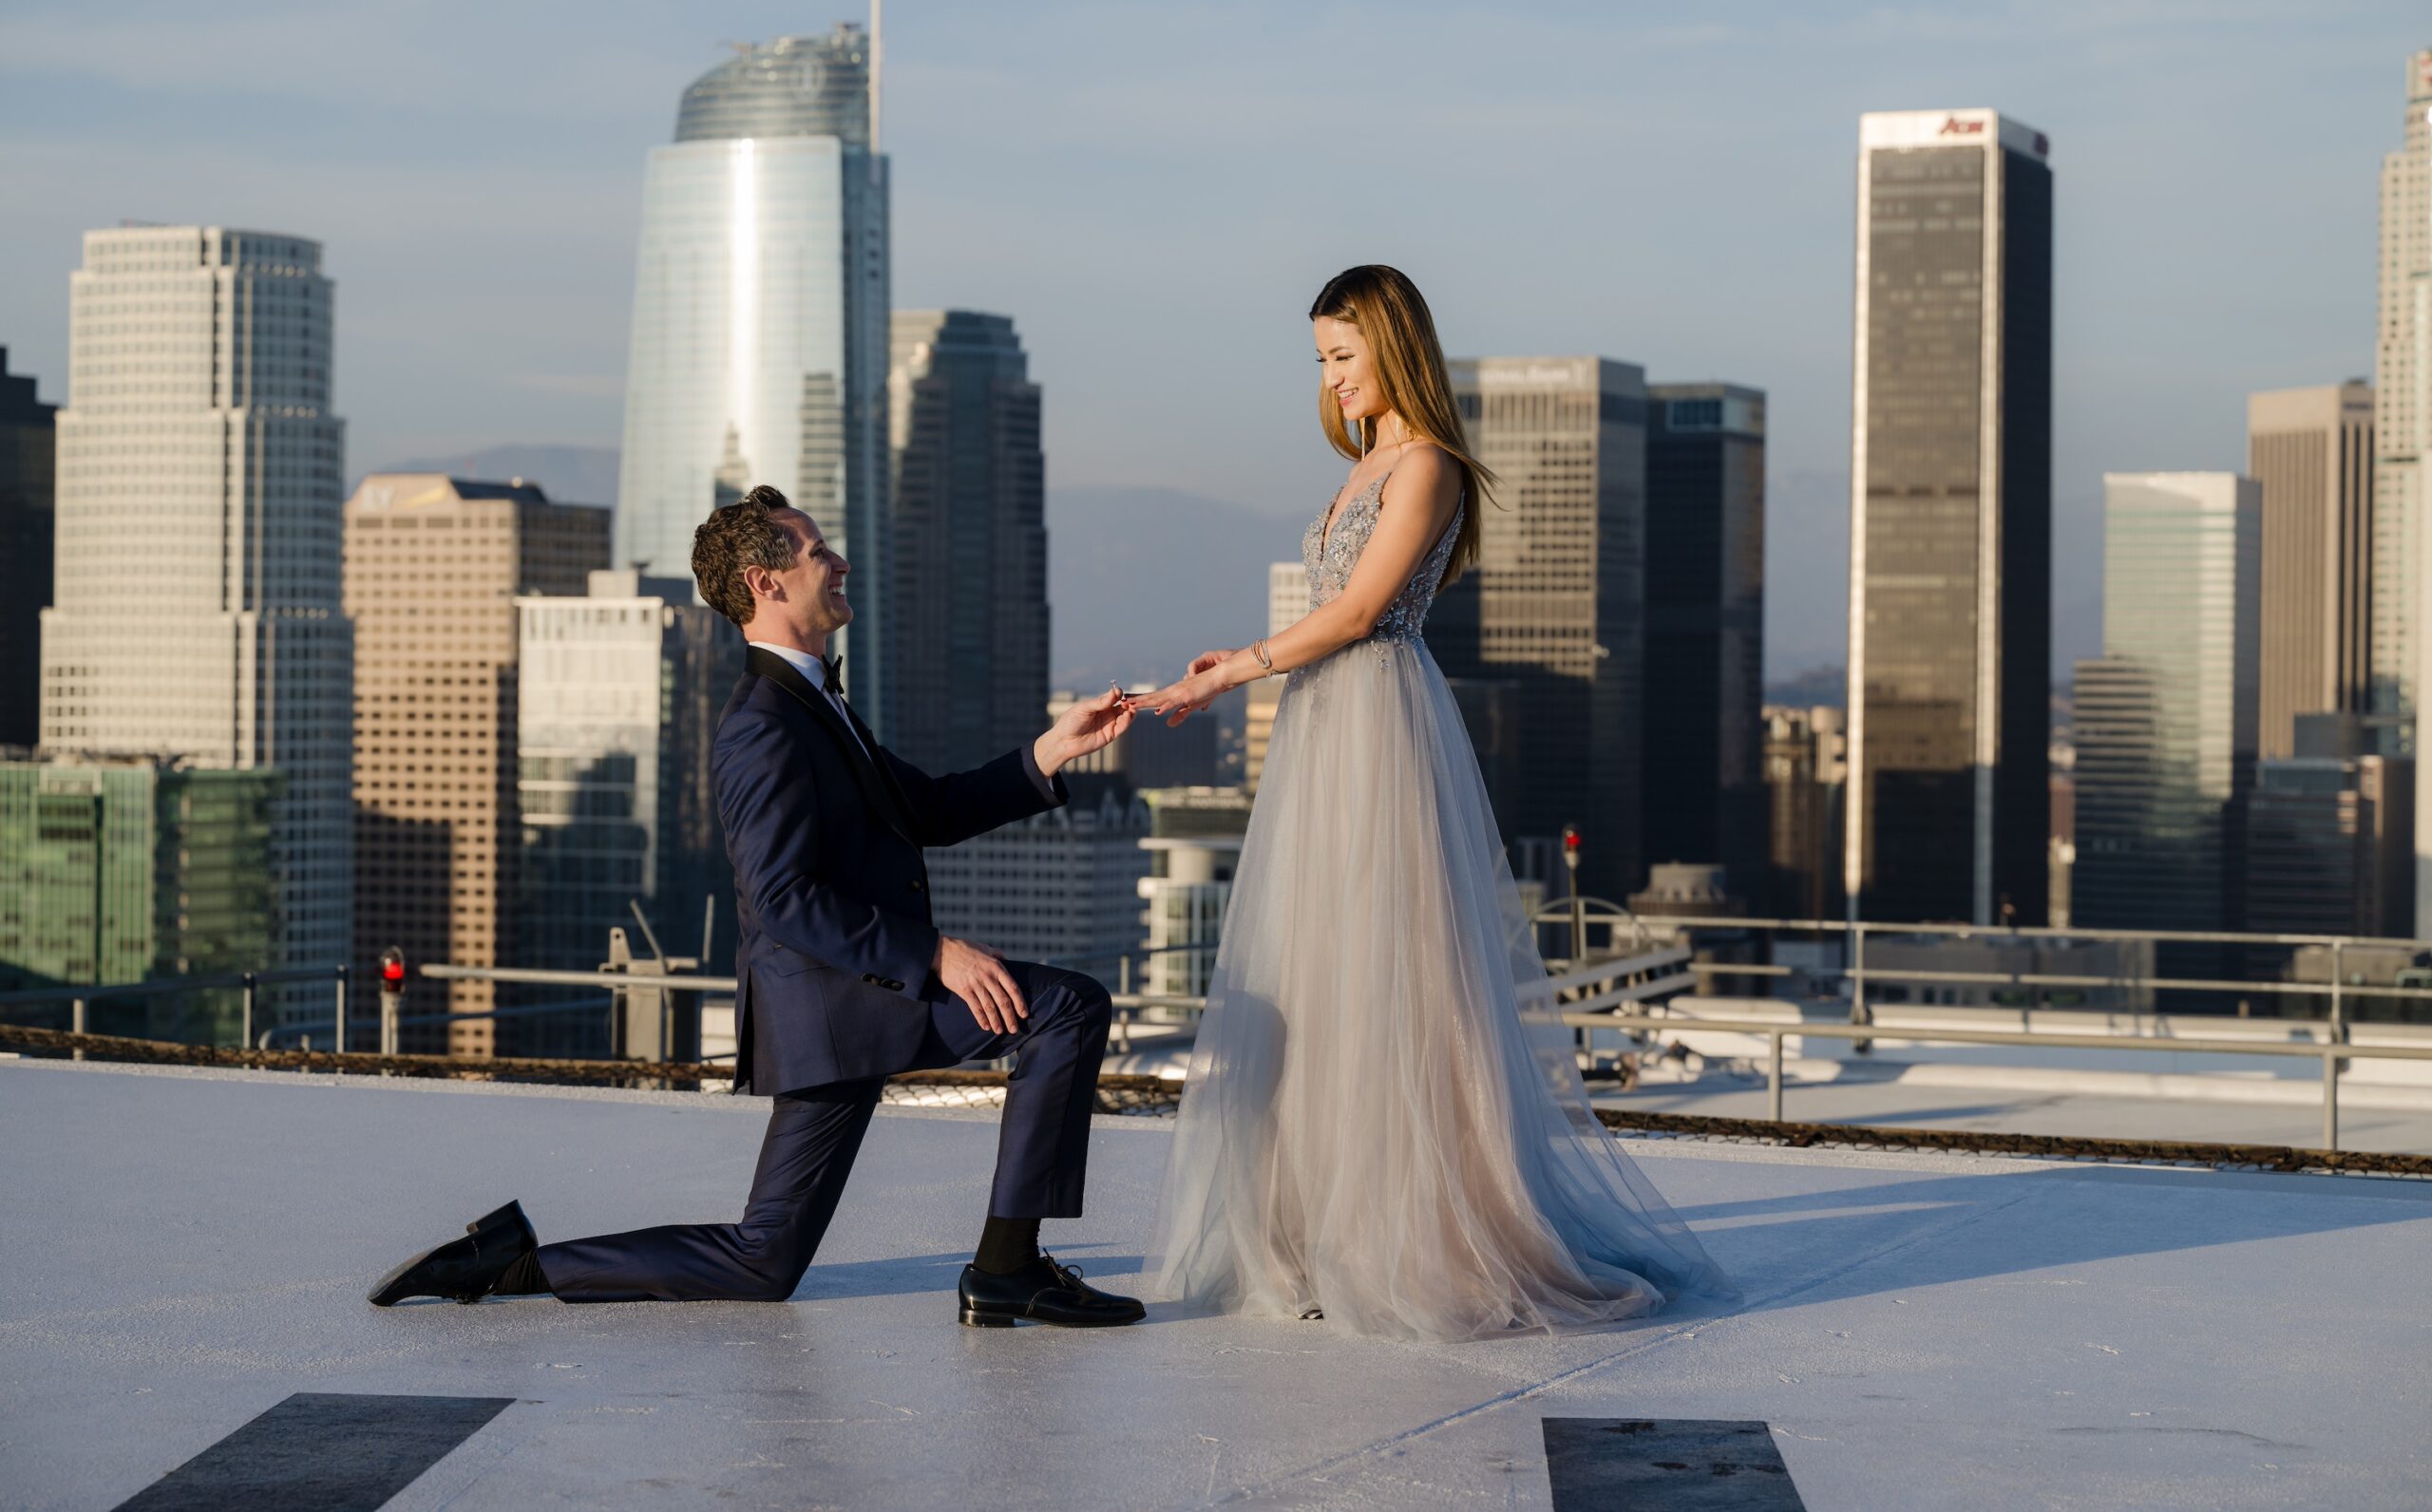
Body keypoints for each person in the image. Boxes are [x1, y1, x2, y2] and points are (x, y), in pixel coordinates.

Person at [370, 486, 1147, 1330]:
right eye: (818, 552)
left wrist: (1050, 748)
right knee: (1061, 1009)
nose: (840, 562)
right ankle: (1007, 1268)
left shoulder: (814, 702)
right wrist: (935, 954)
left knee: (763, 1257)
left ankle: (519, 1261)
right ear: (764, 582)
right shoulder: (762, 724)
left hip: (853, 998)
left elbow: (924, 808)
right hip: (838, 1005)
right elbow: (780, 899)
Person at [1138, 265, 1735, 1341]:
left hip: (1375, 724)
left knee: (1391, 973)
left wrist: (1227, 674)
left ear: (1392, 347)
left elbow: (1364, 609)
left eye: (1342, 356)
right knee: (1320, 974)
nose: (1328, 378)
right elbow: (1331, 606)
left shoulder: (1425, 466)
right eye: (1320, 359)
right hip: (1325, 722)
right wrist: (1247, 659)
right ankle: (1316, 1225)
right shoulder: (1368, 464)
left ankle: (1411, 1230)